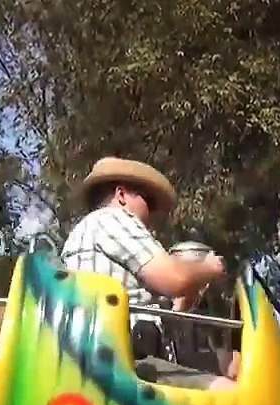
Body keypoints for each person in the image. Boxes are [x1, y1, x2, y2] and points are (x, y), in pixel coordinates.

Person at [60, 157, 231, 389]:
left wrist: (184, 300)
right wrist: (209, 267)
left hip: (103, 355)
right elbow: (175, 279)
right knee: (230, 396)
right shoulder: (113, 220)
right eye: (147, 201)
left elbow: (161, 309)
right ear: (121, 195)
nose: (150, 214)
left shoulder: (85, 232)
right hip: (123, 360)